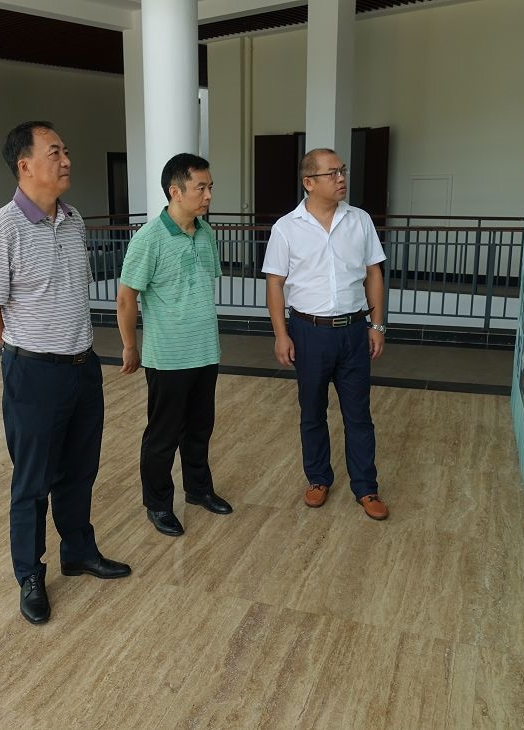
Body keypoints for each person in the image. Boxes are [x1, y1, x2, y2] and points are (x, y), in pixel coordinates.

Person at [0, 121, 130, 625]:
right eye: (55, 152)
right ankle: (30, 575)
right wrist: (23, 347)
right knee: (33, 481)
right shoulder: (3, 229)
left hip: (83, 367)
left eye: (65, 151)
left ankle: (78, 551)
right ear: (25, 165)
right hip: (34, 374)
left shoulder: (73, 219)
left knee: (79, 470)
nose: (66, 161)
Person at [262, 148, 390, 520]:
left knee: (359, 415)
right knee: (313, 412)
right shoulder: (286, 227)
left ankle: (366, 487)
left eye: (342, 171)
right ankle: (318, 479)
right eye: (332, 173)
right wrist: (281, 334)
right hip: (308, 332)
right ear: (309, 182)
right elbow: (275, 284)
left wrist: (377, 325)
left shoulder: (359, 220)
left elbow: (374, 274)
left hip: (354, 331)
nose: (341, 178)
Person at [116, 153, 232, 537]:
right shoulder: (148, 239)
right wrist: (130, 346)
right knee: (163, 436)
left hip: (205, 351)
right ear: (175, 191)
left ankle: (198, 490)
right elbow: (126, 298)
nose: (209, 195)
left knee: (200, 428)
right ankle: (158, 504)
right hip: (167, 356)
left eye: (210, 187)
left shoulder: (206, 232)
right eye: (201, 188)